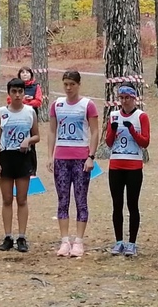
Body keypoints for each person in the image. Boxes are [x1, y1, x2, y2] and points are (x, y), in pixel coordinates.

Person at [47, 70, 99, 257]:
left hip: (80, 158)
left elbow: (94, 131)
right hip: (61, 158)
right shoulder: (57, 105)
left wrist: (91, 156)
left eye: (72, 84)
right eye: (66, 84)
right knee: (63, 199)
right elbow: (52, 131)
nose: (68, 88)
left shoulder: (87, 105)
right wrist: (50, 155)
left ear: (78, 84)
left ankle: (79, 241)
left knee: (80, 199)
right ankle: (64, 240)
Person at [0, 78, 40, 253]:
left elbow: (37, 136)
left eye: (20, 91)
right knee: (7, 199)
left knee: (22, 199)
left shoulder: (30, 112)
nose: (17, 95)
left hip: (23, 158)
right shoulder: (2, 112)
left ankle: (21, 236)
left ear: (24, 93)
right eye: (14, 91)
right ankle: (7, 236)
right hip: (6, 157)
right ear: (9, 93)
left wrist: (28, 140)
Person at [105, 82, 150, 257]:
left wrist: (132, 130)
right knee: (117, 205)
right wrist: (112, 131)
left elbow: (145, 142)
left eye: (127, 98)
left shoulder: (141, 116)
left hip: (133, 166)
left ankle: (132, 242)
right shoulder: (114, 115)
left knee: (132, 204)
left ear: (134, 98)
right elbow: (109, 143)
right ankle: (118, 241)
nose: (124, 101)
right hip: (116, 165)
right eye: (121, 98)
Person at [7, 66, 43, 175]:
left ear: (31, 74)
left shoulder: (36, 86)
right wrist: (24, 100)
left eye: (27, 72)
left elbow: (38, 101)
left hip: (31, 117)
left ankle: (32, 170)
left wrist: (25, 103)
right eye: (22, 72)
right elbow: (9, 100)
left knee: (31, 142)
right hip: (16, 116)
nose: (25, 74)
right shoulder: (14, 85)